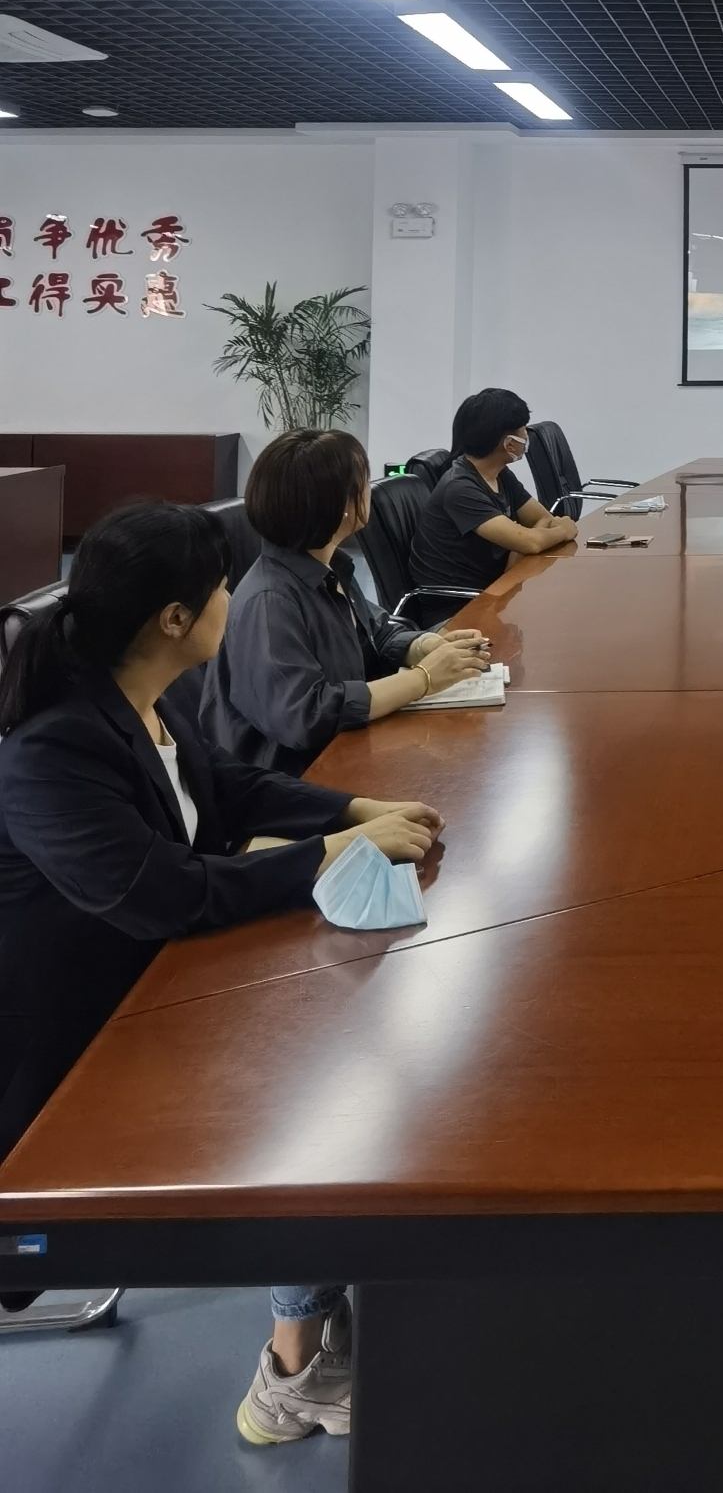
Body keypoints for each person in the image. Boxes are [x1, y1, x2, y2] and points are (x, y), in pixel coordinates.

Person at [0, 501, 443, 1442]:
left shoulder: (141, 697)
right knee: (325, 1098)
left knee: (344, 1042)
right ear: (174, 617)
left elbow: (228, 790)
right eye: (221, 588)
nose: (234, 599)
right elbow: (162, 896)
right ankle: (293, 1372)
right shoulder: (50, 751)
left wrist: (353, 809)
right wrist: (329, 856)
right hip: (68, 1064)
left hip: (155, 991)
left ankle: (312, 1326)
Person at [202, 429, 492, 776]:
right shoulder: (270, 602)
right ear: (337, 505)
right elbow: (305, 716)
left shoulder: (328, 567)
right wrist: (423, 679)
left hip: (350, 747)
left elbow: (377, 633)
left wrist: (426, 646)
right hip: (297, 778)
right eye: (362, 482)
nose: (367, 491)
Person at [409, 387, 577, 593]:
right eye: (523, 429)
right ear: (509, 444)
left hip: (496, 587)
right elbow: (531, 542)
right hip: (460, 603)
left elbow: (542, 519)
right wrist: (563, 531)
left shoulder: (499, 474)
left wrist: (523, 543)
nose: (527, 435)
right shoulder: (460, 488)